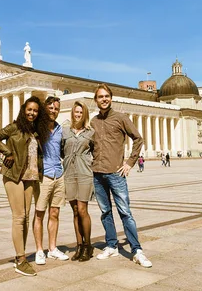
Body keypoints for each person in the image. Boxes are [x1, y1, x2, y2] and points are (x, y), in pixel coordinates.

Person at [0, 96, 51, 277]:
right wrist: (8, 152)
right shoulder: (15, 127)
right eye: (29, 110)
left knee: (26, 217)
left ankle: (20, 256)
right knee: (19, 216)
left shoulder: (36, 131)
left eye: (35, 111)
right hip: (14, 176)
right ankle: (21, 259)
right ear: (24, 110)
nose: (32, 113)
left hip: (30, 178)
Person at [90, 84, 152, 268]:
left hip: (116, 173)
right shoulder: (93, 121)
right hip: (97, 174)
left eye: (107, 96)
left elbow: (138, 138)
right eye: (100, 96)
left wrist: (129, 163)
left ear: (111, 98)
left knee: (125, 212)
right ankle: (111, 245)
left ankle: (136, 250)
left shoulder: (121, 118)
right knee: (105, 212)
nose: (104, 99)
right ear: (96, 100)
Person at [33, 96, 69, 265]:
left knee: (54, 213)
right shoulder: (37, 129)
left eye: (56, 108)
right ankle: (40, 250)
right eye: (51, 108)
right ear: (45, 109)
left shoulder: (60, 129)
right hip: (44, 176)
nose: (54, 111)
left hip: (58, 174)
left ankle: (52, 248)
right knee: (39, 214)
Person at [62, 101, 95, 262]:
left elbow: (97, 151)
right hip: (69, 173)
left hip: (84, 173)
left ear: (85, 114)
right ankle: (79, 245)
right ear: (72, 113)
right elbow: (61, 150)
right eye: (76, 112)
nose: (78, 115)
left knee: (82, 209)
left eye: (81, 112)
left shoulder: (90, 132)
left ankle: (88, 246)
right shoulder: (65, 131)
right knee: (75, 211)